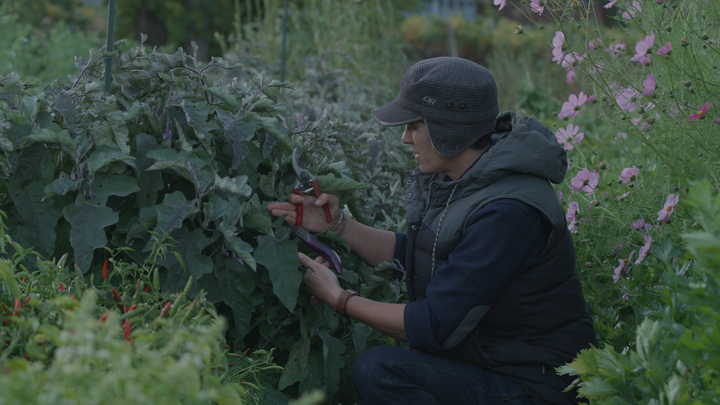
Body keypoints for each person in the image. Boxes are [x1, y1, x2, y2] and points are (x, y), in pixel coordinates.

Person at [267, 57, 596, 405]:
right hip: (490, 366)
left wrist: (340, 299)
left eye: (414, 125)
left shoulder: (508, 212)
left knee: (379, 370)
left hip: (535, 386)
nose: (405, 138)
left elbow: (433, 324)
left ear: (448, 128)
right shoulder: (466, 179)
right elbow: (419, 253)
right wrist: (339, 225)